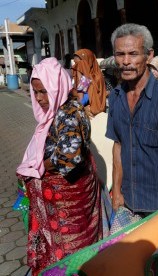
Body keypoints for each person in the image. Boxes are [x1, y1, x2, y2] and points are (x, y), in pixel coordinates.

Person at [16, 57, 103, 275]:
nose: (38, 98)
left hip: (68, 195)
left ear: (56, 87)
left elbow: (68, 159)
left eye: (43, 91)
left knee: (69, 248)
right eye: (35, 92)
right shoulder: (61, 108)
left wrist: (37, 167)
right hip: (63, 191)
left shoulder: (68, 113)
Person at [107, 23, 158, 217]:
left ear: (149, 55)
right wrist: (117, 193)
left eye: (133, 54)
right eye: (120, 54)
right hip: (127, 202)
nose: (126, 61)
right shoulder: (116, 97)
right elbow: (118, 146)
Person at [72, 49, 107, 117]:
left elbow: (83, 96)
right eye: (76, 64)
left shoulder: (95, 77)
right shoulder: (85, 77)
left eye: (79, 64)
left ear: (88, 62)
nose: (77, 67)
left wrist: (81, 76)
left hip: (96, 114)